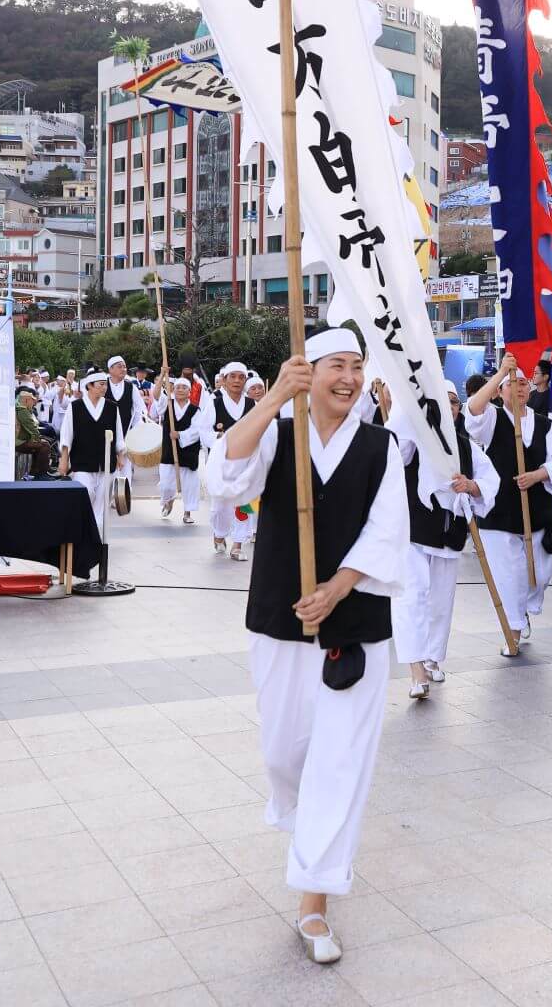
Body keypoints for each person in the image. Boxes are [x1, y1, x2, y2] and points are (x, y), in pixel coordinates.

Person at [202, 329, 409, 967]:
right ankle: (307, 826)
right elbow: (224, 478)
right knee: (285, 752)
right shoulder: (277, 434)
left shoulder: (381, 446)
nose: (347, 378)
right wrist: (271, 403)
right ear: (307, 374)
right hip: (278, 618)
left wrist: (339, 586)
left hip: (356, 625)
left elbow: (387, 531)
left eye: (356, 367)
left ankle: (314, 899)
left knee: (338, 763)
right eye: (334, 368)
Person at [384, 381, 498, 699]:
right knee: (411, 596)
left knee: (441, 601)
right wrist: (406, 408)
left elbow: (491, 481)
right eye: (443, 401)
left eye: (454, 402)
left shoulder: (465, 445)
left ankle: (433, 657)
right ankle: (416, 669)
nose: (449, 407)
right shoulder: (414, 438)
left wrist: (471, 486)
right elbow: (392, 450)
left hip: (449, 533)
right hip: (412, 529)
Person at [466, 353, 552, 652]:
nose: (519, 387)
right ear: (501, 390)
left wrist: (537, 475)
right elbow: (472, 410)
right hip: (500, 512)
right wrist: (500, 373)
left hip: (536, 511)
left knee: (540, 573)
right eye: (512, 383)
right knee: (509, 573)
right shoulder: (493, 418)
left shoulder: (543, 424)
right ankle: (513, 629)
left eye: (523, 382)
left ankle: (523, 609)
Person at [59, 370, 125, 531]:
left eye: (105, 385)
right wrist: (63, 461)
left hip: (106, 463)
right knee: (85, 493)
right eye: (101, 385)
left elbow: (118, 434)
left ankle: (96, 542)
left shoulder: (112, 407)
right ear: (89, 386)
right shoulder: (75, 407)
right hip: (82, 462)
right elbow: (66, 436)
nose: (104, 388)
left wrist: (120, 455)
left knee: (101, 504)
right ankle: (82, 530)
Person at [207, 362, 258, 557]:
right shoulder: (214, 403)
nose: (237, 380)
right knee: (220, 507)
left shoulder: (253, 405)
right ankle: (219, 534)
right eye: (233, 376)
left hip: (247, 463)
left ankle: (238, 545)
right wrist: (219, 439)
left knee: (245, 504)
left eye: (241, 377)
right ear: (224, 380)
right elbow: (203, 431)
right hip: (222, 464)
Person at [156, 376, 206, 523]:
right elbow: (156, 395)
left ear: (189, 392)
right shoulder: (168, 404)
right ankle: (169, 500)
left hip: (188, 450)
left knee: (189, 483)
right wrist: (161, 376)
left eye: (184, 388)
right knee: (166, 482)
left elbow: (198, 430)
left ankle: (187, 513)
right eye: (177, 387)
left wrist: (180, 435)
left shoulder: (195, 409)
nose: (180, 390)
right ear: (173, 389)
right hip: (169, 449)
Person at [14, 386, 57, 480]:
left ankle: (35, 473)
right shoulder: (22, 410)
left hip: (21, 439)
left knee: (42, 445)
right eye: (31, 399)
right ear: (26, 400)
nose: (34, 401)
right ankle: (41, 474)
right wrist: (38, 439)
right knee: (44, 446)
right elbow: (31, 428)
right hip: (19, 441)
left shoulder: (22, 408)